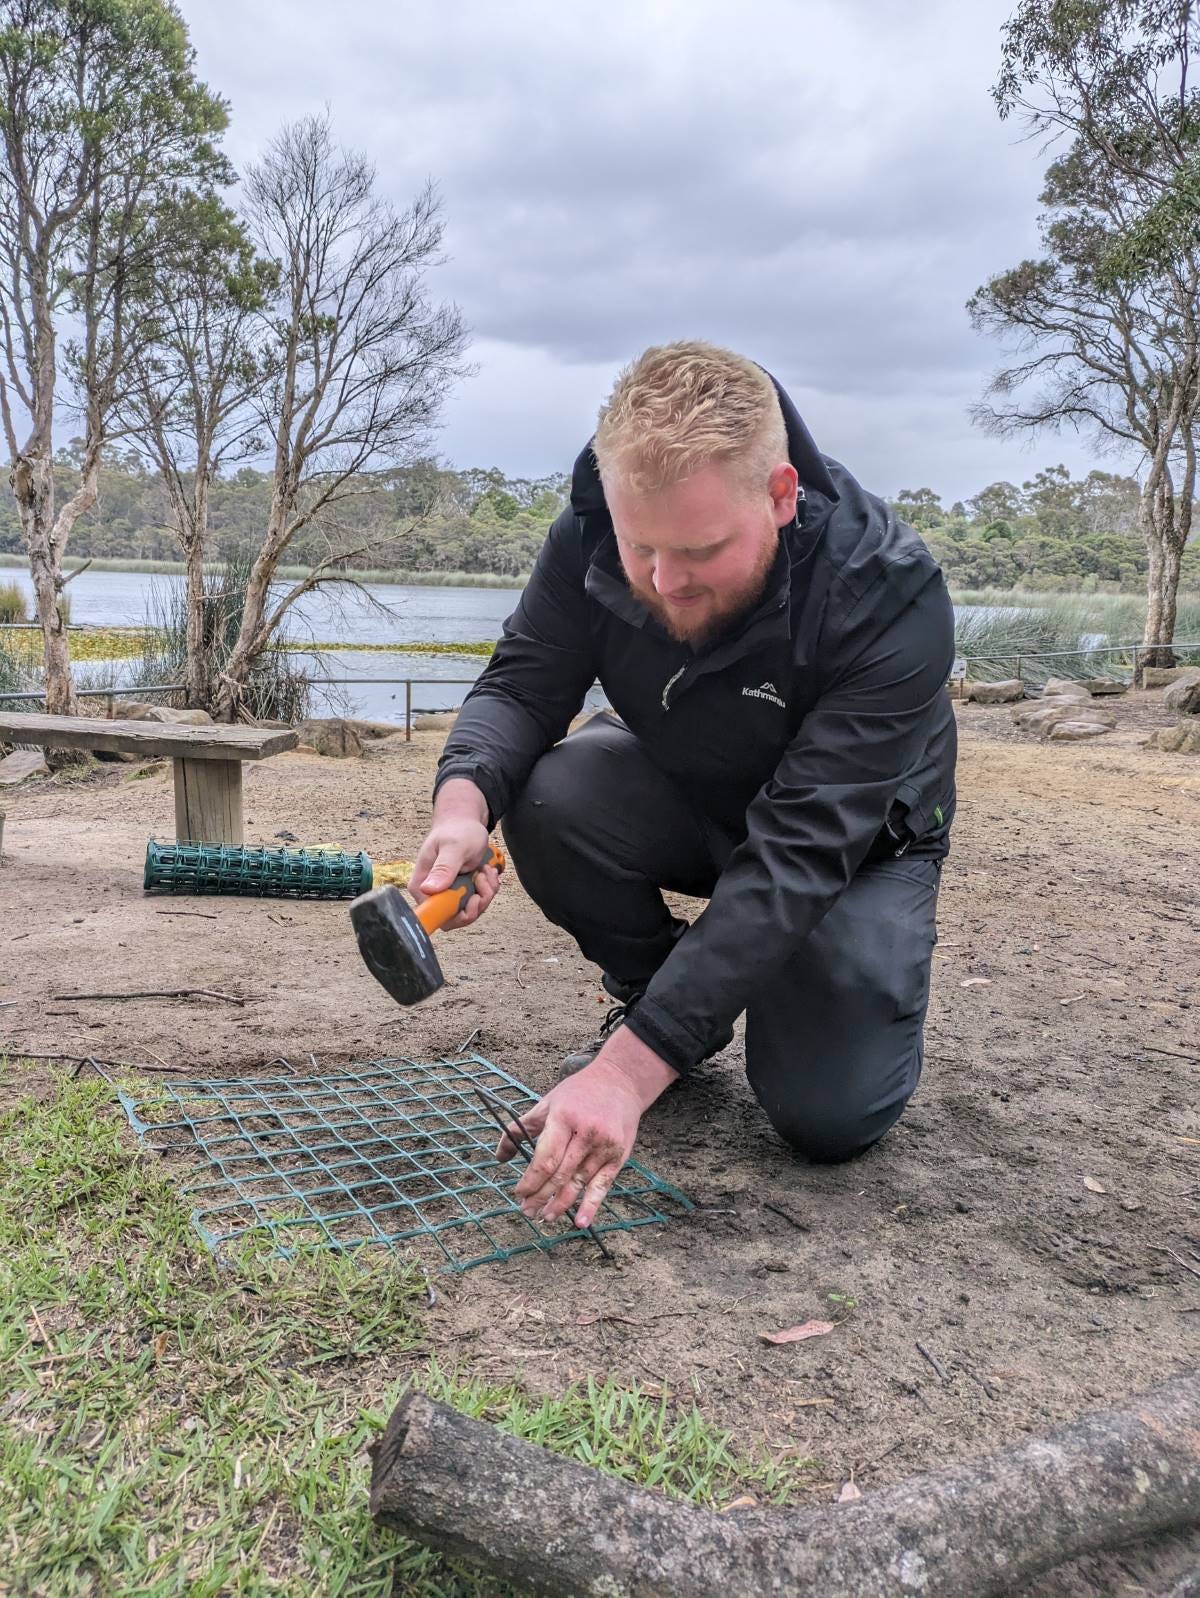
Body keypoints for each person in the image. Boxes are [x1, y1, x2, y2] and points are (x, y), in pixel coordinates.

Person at [408, 342, 957, 1234]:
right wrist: (464, 805)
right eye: (641, 545)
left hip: (852, 845)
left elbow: (796, 856)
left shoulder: (889, 595)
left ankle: (699, 1021)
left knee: (826, 1117)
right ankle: (667, 1006)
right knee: (552, 794)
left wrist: (624, 1076)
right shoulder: (588, 529)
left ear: (781, 497)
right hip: (690, 785)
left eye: (700, 549)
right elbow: (522, 684)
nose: (665, 582)